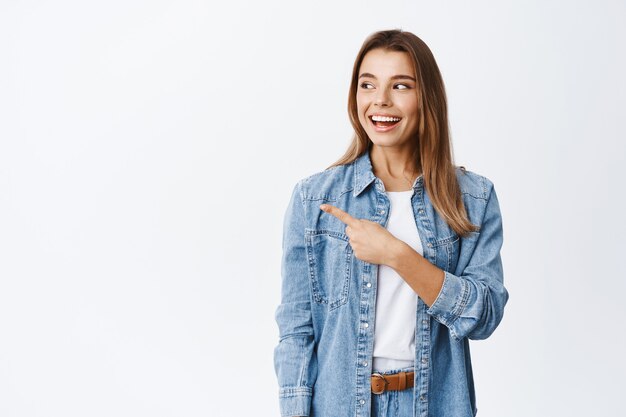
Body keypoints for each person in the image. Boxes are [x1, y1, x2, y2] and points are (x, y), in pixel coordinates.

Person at [273, 29, 509, 417]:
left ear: (426, 98)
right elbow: (297, 331)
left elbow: (483, 317)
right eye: (368, 85)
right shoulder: (314, 198)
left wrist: (398, 255)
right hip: (339, 404)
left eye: (400, 85)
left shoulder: (472, 197)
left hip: (434, 403)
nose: (380, 100)